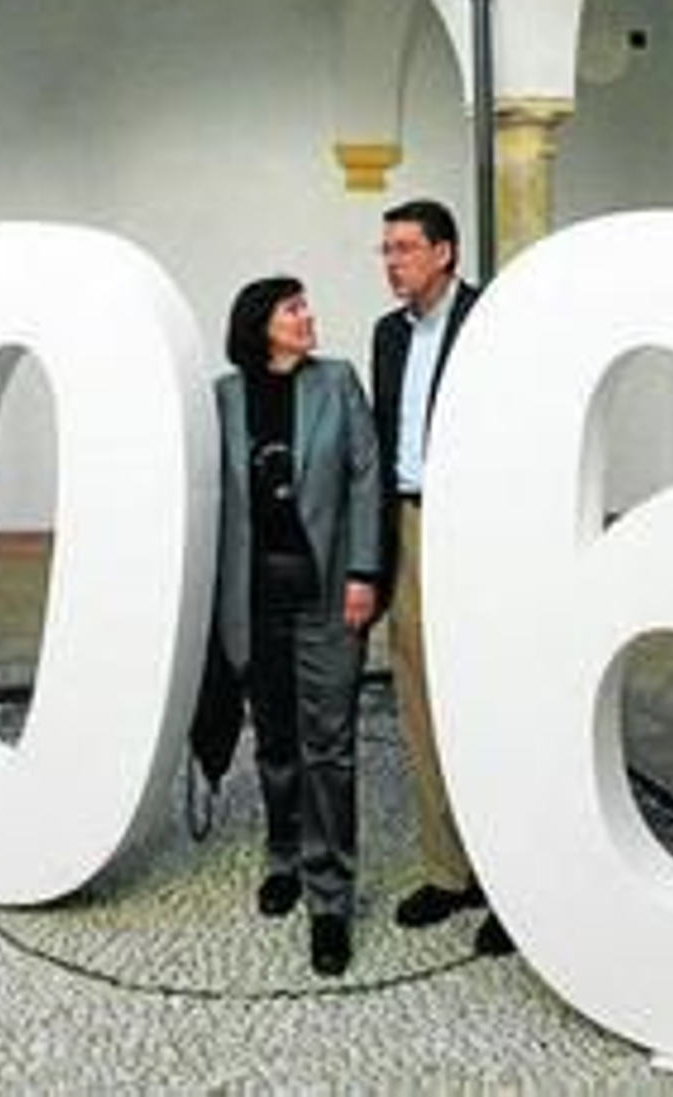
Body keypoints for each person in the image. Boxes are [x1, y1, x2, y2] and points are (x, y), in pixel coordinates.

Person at [213, 276, 381, 977]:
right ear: (260, 324)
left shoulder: (338, 381)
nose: (308, 316)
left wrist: (364, 573)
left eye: (307, 305)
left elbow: (365, 478)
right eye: (293, 308)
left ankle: (330, 898)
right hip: (254, 600)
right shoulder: (222, 396)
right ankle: (282, 853)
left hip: (326, 594)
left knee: (330, 747)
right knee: (276, 739)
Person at [371, 198, 514, 957]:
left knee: (491, 698)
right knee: (420, 692)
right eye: (385, 249)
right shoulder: (388, 334)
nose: (391, 261)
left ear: (446, 253)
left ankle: (514, 883)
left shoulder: (493, 321)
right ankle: (446, 869)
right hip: (408, 521)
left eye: (403, 247)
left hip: (478, 530)